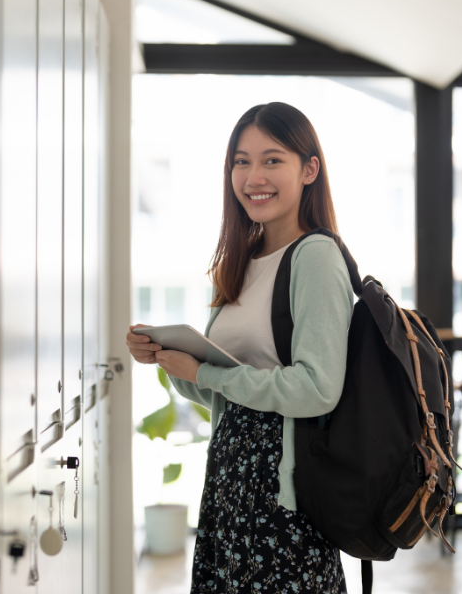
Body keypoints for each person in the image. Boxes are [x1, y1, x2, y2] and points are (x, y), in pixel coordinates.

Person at [126, 102, 354, 593]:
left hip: (281, 500)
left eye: (273, 160)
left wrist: (204, 373)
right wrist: (170, 361)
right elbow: (225, 395)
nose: (254, 176)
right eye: (241, 161)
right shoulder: (244, 260)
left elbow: (317, 388)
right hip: (231, 487)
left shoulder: (316, 256)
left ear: (309, 169)